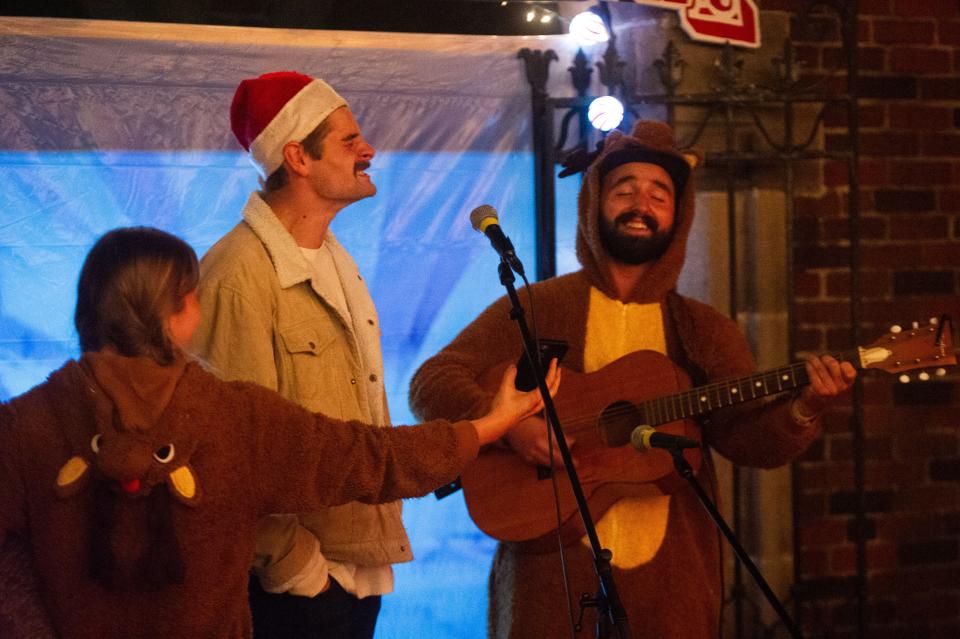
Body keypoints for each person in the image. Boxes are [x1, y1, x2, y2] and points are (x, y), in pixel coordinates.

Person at [408, 120, 856, 638]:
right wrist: (510, 427)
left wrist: (803, 410)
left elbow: (746, 438)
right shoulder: (538, 305)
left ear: (679, 216)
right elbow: (431, 380)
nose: (640, 204)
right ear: (595, 205)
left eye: (659, 195)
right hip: (548, 578)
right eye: (624, 190)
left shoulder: (703, 329)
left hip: (671, 581)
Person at [0, 226, 558, 639]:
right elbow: (370, 457)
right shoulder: (234, 419)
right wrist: (489, 426)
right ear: (175, 312)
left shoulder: (22, 426)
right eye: (194, 295)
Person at [188, 70, 402, 638]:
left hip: (353, 576)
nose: (368, 150)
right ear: (298, 158)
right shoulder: (238, 274)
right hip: (292, 592)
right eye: (349, 140)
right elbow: (230, 453)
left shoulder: (334, 258)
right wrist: (300, 572)